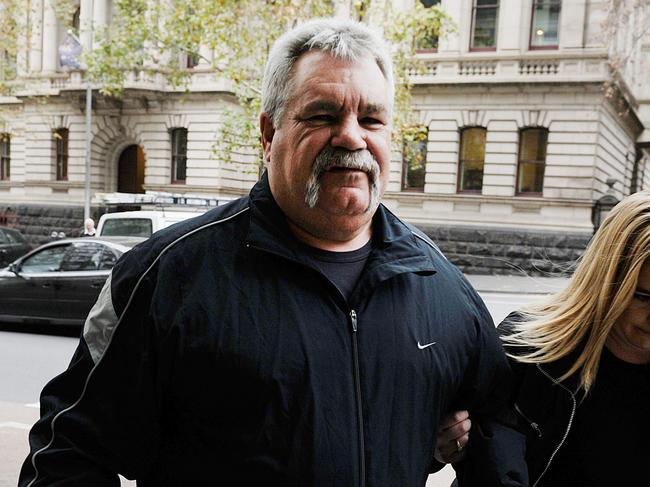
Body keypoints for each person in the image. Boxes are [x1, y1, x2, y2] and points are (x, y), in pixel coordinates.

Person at [19, 19, 516, 486]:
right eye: (322, 115)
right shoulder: (164, 277)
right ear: (268, 134)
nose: (351, 135)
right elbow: (67, 456)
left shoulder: (443, 288)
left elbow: (501, 435)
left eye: (372, 118)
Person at [438, 190, 650, 486]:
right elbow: (479, 462)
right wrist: (444, 443)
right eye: (643, 297)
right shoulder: (527, 348)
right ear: (607, 281)